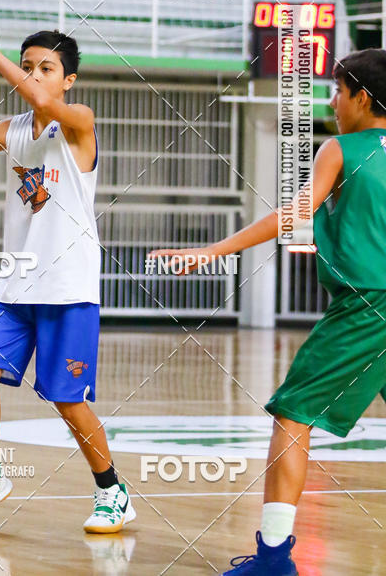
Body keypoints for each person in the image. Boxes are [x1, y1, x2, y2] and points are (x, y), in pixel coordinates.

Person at [150, 48, 386, 576]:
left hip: (368, 304)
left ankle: (274, 558)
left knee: (292, 415)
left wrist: (214, 250)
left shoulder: (341, 149)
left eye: (337, 91)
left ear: (362, 98)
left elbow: (293, 214)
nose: (332, 102)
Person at [0, 18, 136, 534]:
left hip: (69, 287)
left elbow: (41, 101)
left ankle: (112, 490)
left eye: (47, 68)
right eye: (27, 67)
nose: (35, 75)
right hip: (16, 282)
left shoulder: (79, 122)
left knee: (67, 400)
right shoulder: (11, 130)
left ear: (68, 80)